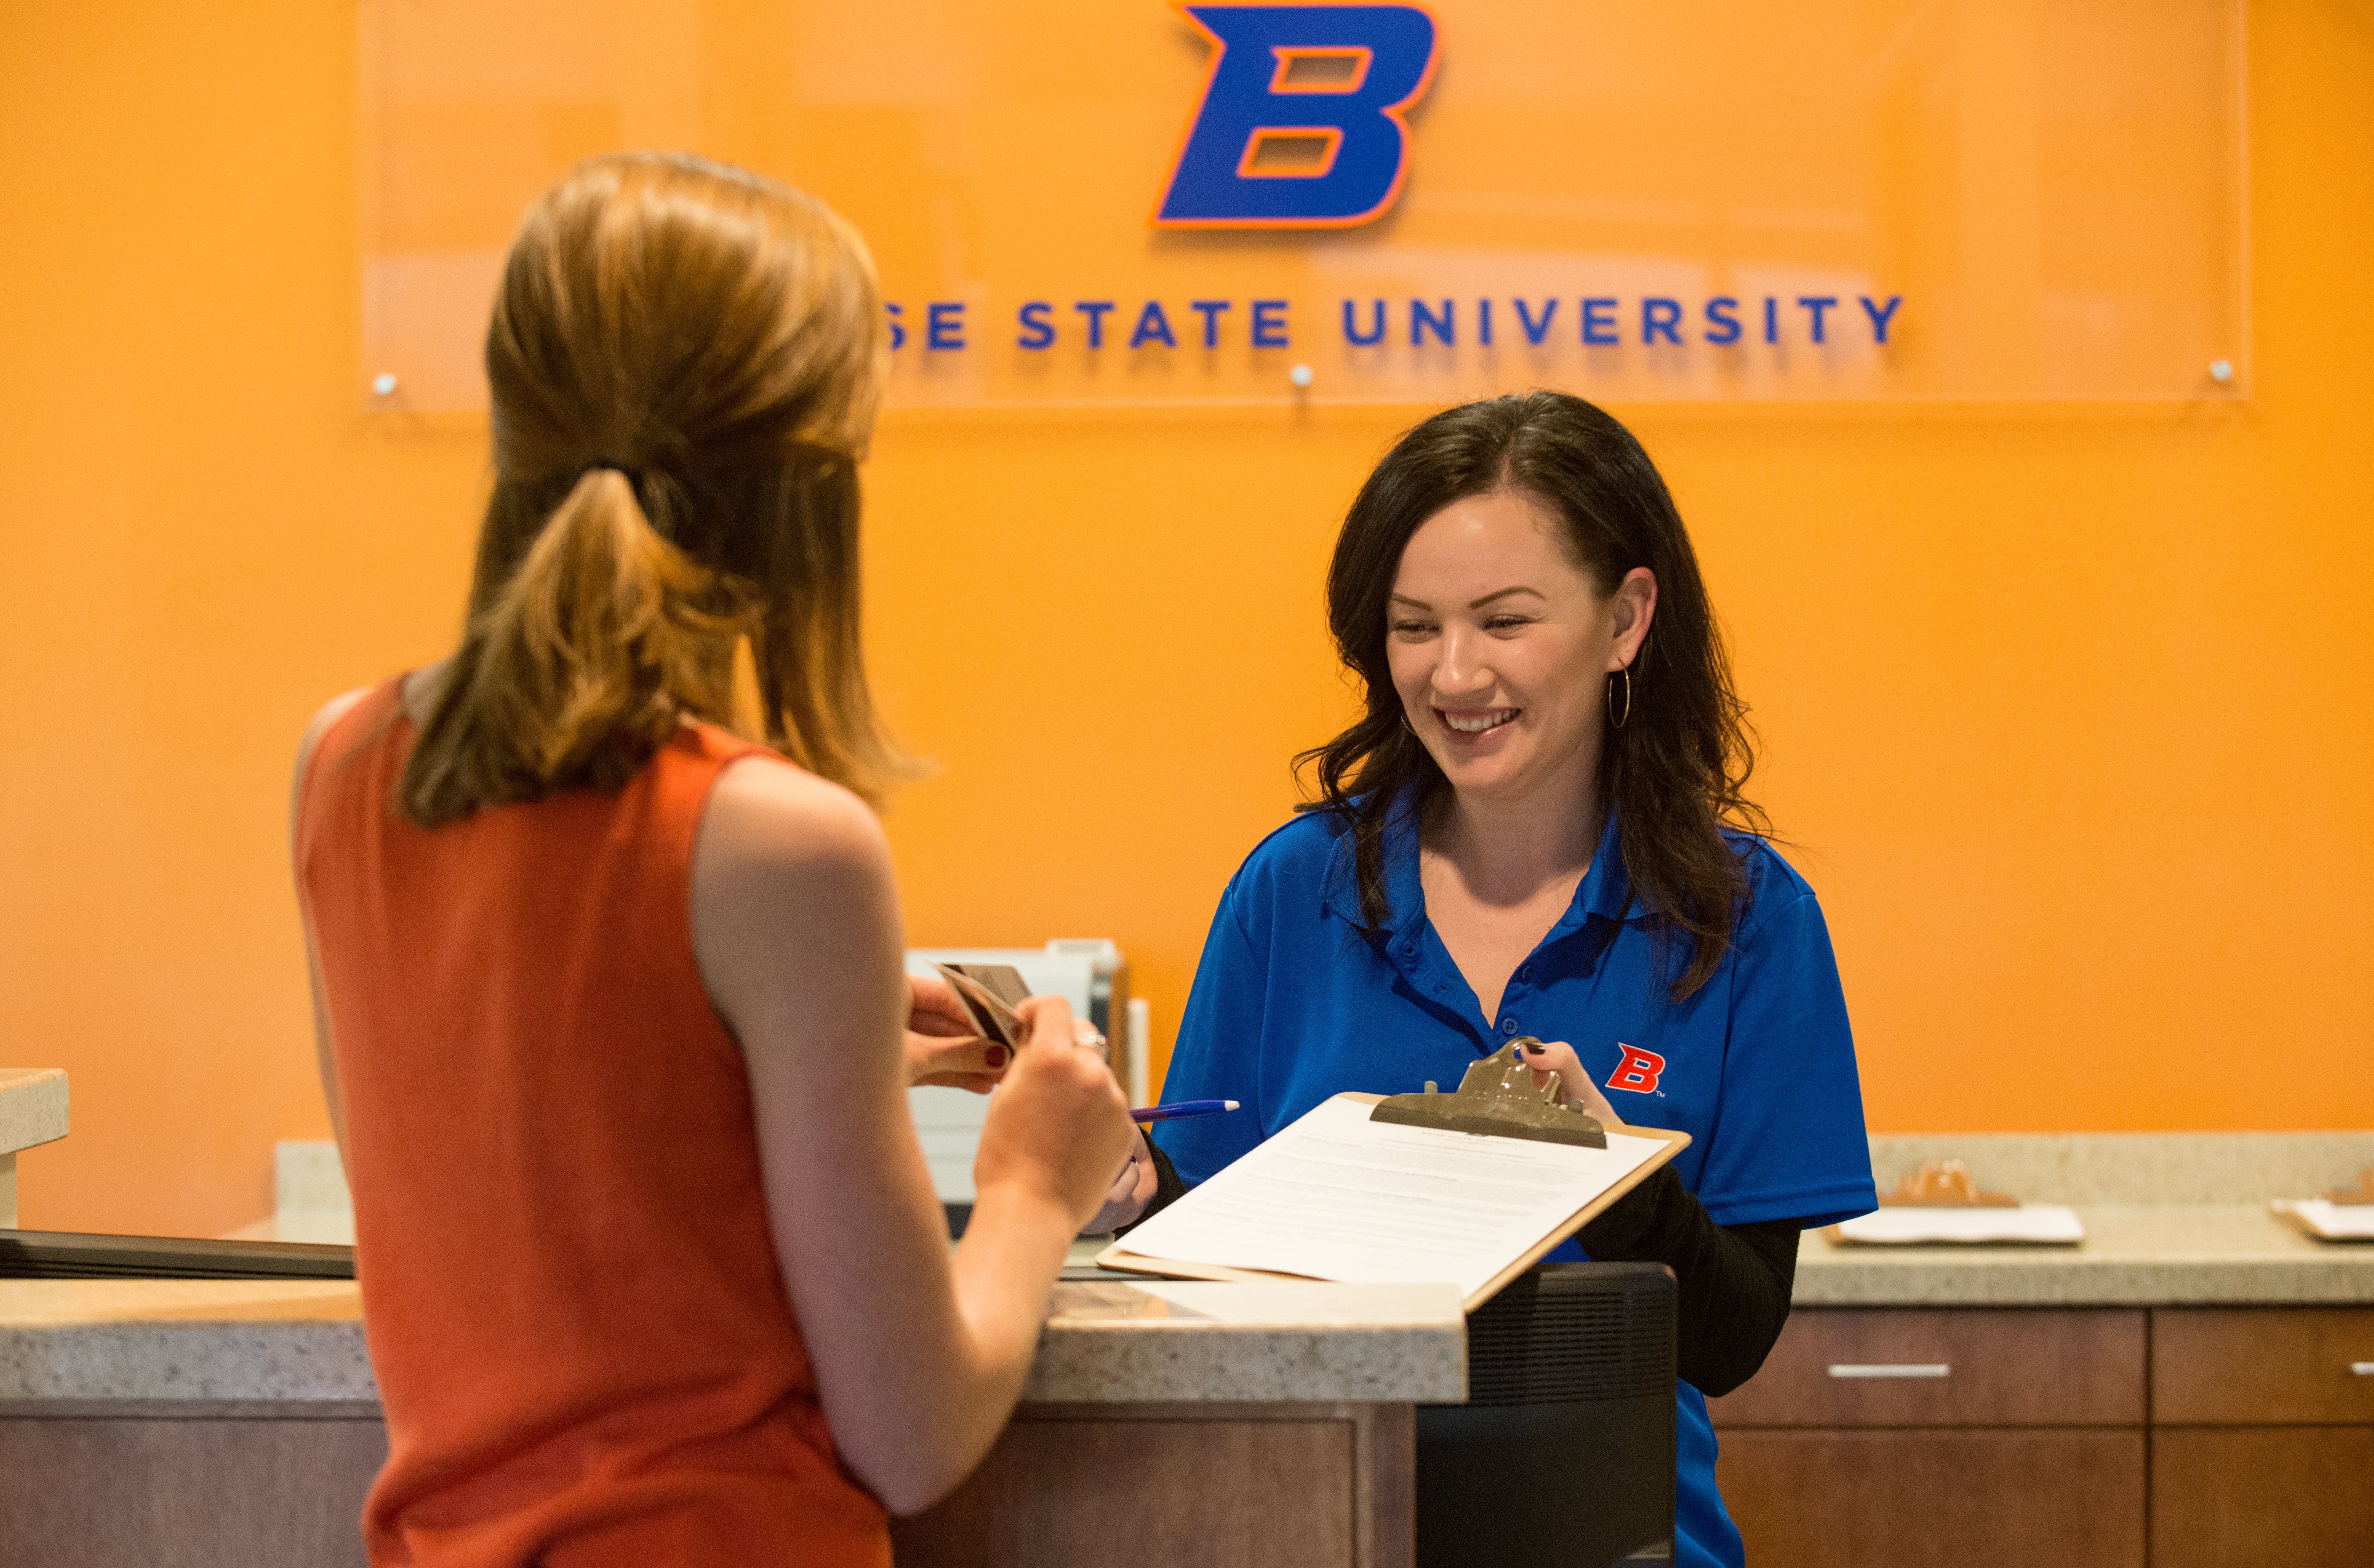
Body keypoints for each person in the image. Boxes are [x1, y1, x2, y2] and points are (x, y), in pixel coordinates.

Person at [291, 152, 1136, 1567]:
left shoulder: (341, 763)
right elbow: (914, 1430)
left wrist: (815, 1045)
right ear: (813, 487)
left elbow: (500, 1162)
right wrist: (1038, 1182)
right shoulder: (782, 840)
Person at [1109, 391, 1877, 1568]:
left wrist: (1620, 1178)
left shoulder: (1746, 918)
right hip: (1317, 1524)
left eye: (1504, 621)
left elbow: (1731, 1340)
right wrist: (1115, 1184)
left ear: (1625, 619)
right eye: (1412, 626)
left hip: (1621, 1538)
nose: (1454, 674)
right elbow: (1202, 1255)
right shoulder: (1292, 889)